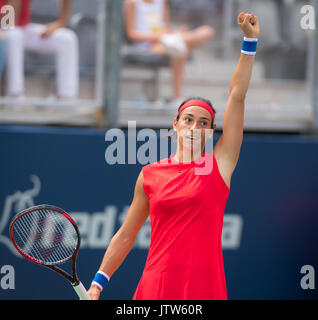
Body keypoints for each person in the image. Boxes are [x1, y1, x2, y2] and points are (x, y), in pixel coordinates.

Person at [88, 12, 259, 300]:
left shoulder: (218, 165)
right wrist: (97, 284)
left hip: (204, 287)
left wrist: (249, 41)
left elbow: (237, 96)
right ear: (176, 125)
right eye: (189, 119)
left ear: (211, 132)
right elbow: (127, 235)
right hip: (158, 285)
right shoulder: (150, 174)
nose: (195, 127)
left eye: (204, 123)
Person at [123, 0, 215, 106]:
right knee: (180, 48)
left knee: (206, 32)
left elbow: (165, 29)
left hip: (166, 41)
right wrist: (159, 37)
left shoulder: (162, 2)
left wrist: (176, 33)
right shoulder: (132, 3)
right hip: (146, 46)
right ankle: (177, 97)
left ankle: (177, 99)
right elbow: (131, 34)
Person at [0, 0, 78, 99]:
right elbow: (9, 22)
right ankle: (16, 96)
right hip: (6, 29)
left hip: (21, 28)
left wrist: (61, 22)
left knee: (67, 39)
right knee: (15, 34)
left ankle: (67, 97)